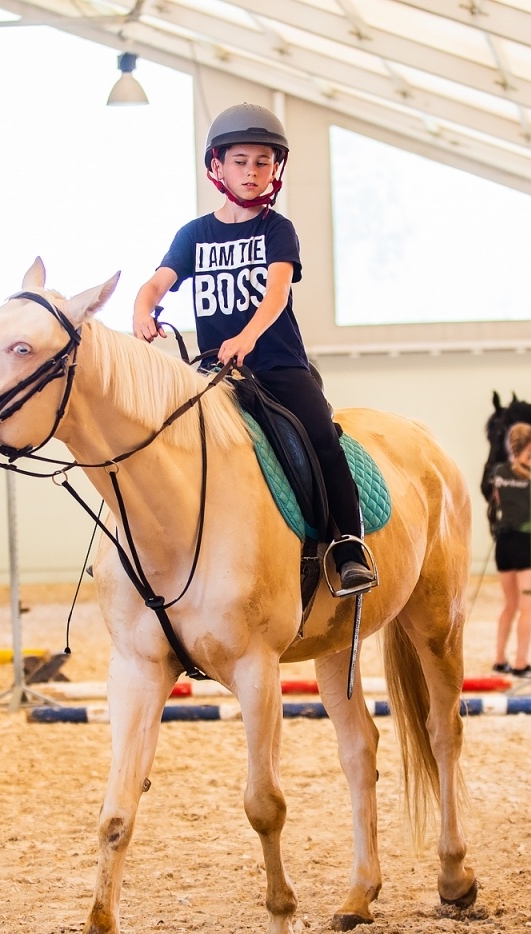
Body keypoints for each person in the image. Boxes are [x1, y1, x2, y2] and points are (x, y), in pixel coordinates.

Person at [132, 104, 377, 596]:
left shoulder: (276, 230)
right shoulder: (193, 235)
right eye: (240, 161)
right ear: (217, 167)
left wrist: (248, 337)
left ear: (275, 169)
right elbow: (159, 282)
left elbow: (276, 293)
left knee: (322, 436)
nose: (251, 171)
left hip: (278, 365)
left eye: (262, 162)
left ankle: (349, 545)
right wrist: (143, 309)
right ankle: (150, 550)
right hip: (215, 372)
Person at [488, 423, 531, 677]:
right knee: (528, 605)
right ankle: (520, 663)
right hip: (525, 543)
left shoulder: (499, 471)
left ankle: (499, 658)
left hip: (503, 543)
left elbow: (497, 499)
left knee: (510, 604)